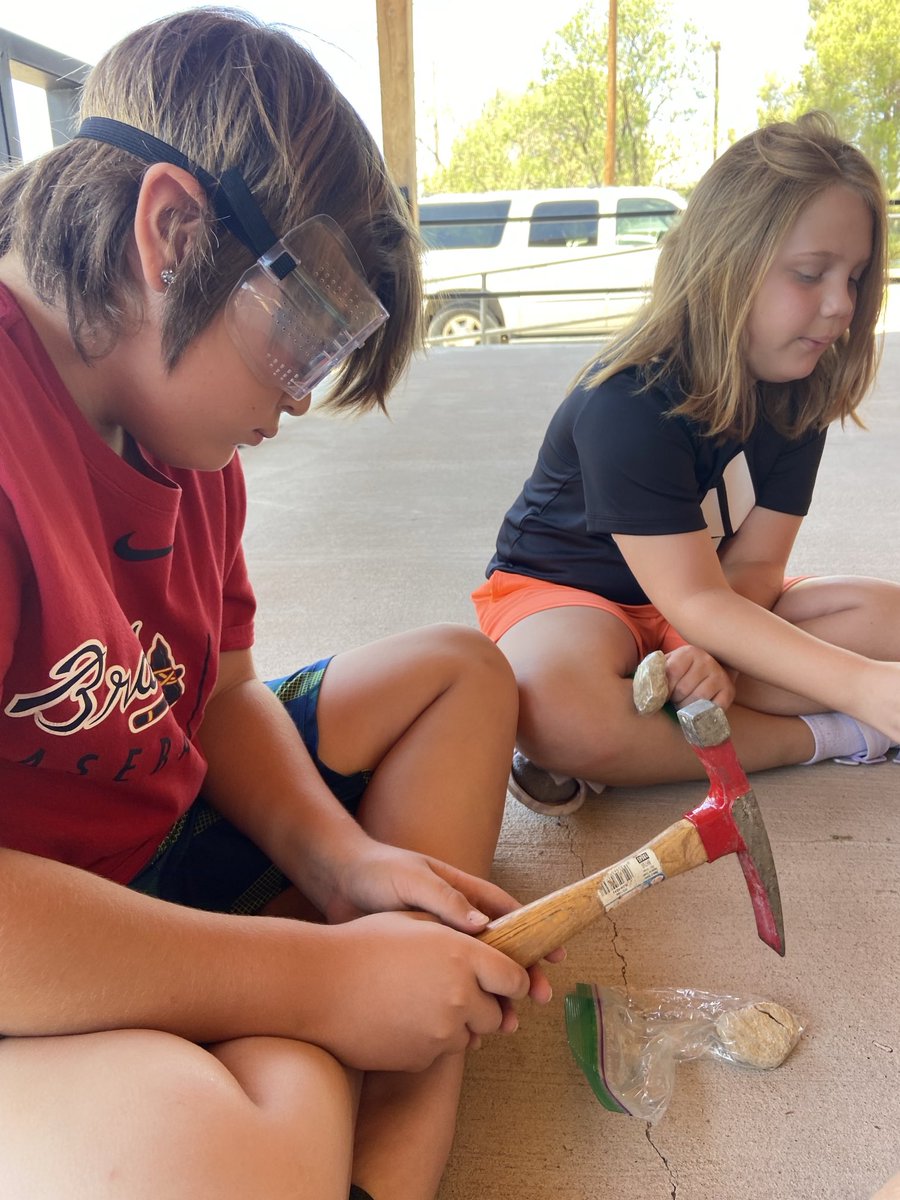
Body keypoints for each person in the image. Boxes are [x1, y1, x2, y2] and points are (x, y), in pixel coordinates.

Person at [0, 11, 559, 1200]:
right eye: (304, 340)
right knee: (230, 1154)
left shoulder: (187, 448)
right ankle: (337, 1084)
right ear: (170, 230)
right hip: (33, 943)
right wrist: (314, 985)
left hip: (149, 843)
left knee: (466, 674)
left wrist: (350, 866)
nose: (298, 402)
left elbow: (222, 696)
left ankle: (367, 1067)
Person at [471, 112, 900, 814]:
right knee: (554, 706)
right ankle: (828, 734)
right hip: (570, 597)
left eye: (854, 278)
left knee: (885, 617)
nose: (840, 307)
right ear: (725, 262)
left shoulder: (800, 392)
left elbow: (754, 569)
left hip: (715, 595)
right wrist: (860, 689)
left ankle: (655, 736)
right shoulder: (628, 399)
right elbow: (693, 598)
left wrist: (711, 654)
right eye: (810, 274)